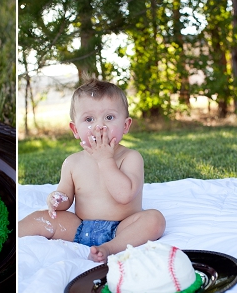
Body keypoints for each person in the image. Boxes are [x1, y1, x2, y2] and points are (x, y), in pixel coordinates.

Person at [18, 78, 166, 262]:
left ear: (126, 125)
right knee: (38, 218)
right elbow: (65, 198)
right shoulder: (72, 162)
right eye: (89, 119)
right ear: (75, 129)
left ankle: (110, 248)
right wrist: (56, 199)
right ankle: (10, 239)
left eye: (109, 117)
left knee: (154, 219)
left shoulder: (131, 157)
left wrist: (105, 160)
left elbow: (124, 195)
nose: (99, 126)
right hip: (79, 227)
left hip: (123, 227)